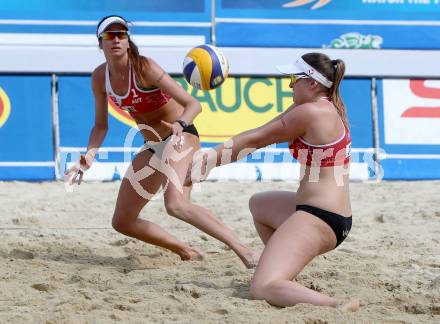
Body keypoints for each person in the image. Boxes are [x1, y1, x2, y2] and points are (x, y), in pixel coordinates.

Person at [64, 15, 259, 268]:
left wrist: (180, 124)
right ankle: (187, 251)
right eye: (109, 35)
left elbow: (193, 104)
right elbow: (101, 126)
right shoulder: (100, 77)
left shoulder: (144, 67)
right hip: (153, 146)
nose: (115, 39)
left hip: (181, 136)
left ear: (127, 40)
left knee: (176, 205)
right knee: (122, 221)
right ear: (99, 43)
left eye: (120, 34)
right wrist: (88, 156)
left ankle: (245, 251)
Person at [187, 53, 360, 310]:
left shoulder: (311, 113)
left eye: (294, 78)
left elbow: (256, 140)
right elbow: (257, 133)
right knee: (260, 205)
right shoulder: (321, 106)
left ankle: (336, 304)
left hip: (321, 216)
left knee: (261, 288)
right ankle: (285, 274)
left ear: (312, 83)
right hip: (324, 212)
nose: (290, 84)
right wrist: (213, 158)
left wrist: (210, 160)